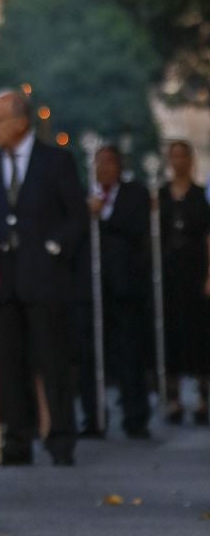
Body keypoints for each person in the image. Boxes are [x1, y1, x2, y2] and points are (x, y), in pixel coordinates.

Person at [0, 89, 87, 466]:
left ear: (21, 122)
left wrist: (53, 249)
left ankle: (61, 437)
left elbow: (76, 215)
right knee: (10, 362)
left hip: (44, 279)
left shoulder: (56, 161)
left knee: (52, 359)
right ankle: (17, 439)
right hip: (5, 279)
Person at [90, 144, 152, 439]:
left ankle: (135, 415)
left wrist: (104, 215)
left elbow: (135, 228)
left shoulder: (134, 193)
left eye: (109, 163)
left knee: (130, 354)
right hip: (94, 288)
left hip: (126, 287)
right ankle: (93, 417)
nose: (104, 168)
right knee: (94, 353)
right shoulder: (85, 195)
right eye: (99, 163)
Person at [159, 141, 210, 423]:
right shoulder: (162, 195)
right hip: (169, 272)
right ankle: (173, 396)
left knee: (200, 331)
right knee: (171, 331)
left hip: (195, 270)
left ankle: (203, 394)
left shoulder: (202, 196)